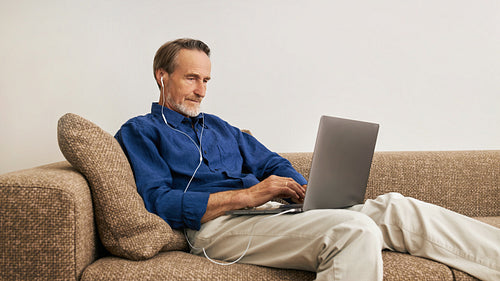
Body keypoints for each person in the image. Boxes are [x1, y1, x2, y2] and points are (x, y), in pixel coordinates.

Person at [115, 38, 499, 281]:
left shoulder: (219, 127)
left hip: (268, 215)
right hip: (216, 228)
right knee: (352, 230)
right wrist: (248, 197)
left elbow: (271, 163)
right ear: (162, 76)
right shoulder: (140, 131)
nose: (201, 91)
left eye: (207, 81)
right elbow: (158, 201)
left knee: (396, 208)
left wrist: (301, 190)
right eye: (191, 79)